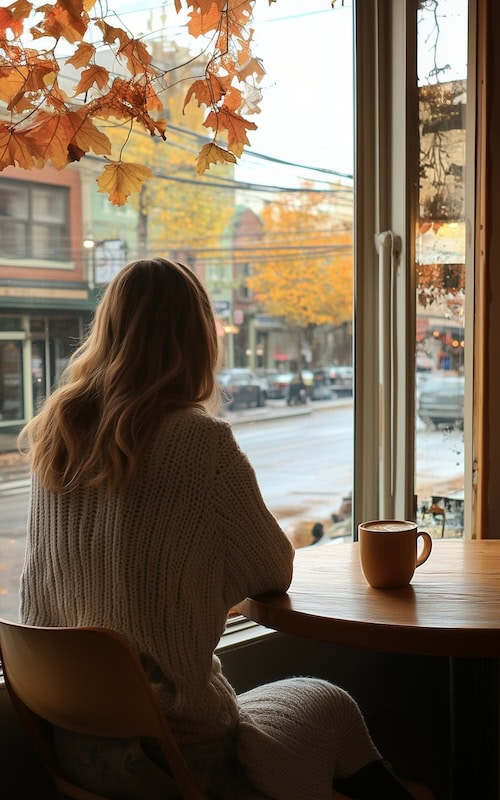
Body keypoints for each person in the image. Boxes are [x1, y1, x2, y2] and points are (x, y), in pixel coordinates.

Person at [19, 258, 432, 800]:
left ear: (107, 332)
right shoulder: (200, 443)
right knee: (330, 701)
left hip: (78, 754)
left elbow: (36, 606)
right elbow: (271, 568)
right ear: (196, 341)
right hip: (182, 760)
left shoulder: (56, 435)